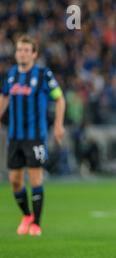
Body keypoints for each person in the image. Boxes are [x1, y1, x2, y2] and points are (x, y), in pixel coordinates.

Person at [0, 35, 66, 236]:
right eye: (19, 50)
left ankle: (36, 224)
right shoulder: (11, 75)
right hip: (15, 137)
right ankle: (27, 215)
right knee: (14, 181)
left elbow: (60, 99)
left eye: (26, 50)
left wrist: (58, 125)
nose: (22, 53)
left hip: (36, 136)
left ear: (34, 54)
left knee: (35, 177)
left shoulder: (44, 75)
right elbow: (4, 97)